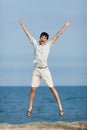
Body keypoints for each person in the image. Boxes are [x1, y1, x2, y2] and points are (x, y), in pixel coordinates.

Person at [19, 18, 71, 117]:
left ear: (46, 39)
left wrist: (65, 27)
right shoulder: (35, 43)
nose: (42, 38)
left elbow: (57, 36)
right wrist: (22, 25)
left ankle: (60, 107)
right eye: (41, 36)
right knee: (33, 89)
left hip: (45, 70)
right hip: (36, 70)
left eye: (44, 37)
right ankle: (30, 107)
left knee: (52, 88)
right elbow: (28, 35)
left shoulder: (49, 44)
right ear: (40, 37)